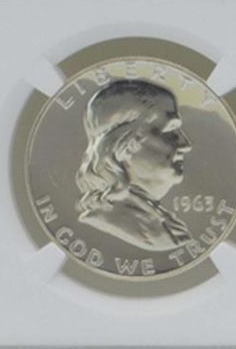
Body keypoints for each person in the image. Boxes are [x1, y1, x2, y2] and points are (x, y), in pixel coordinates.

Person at [75, 80, 195, 251]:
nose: (185, 144)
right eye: (170, 130)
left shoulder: (155, 218)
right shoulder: (122, 221)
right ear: (124, 145)